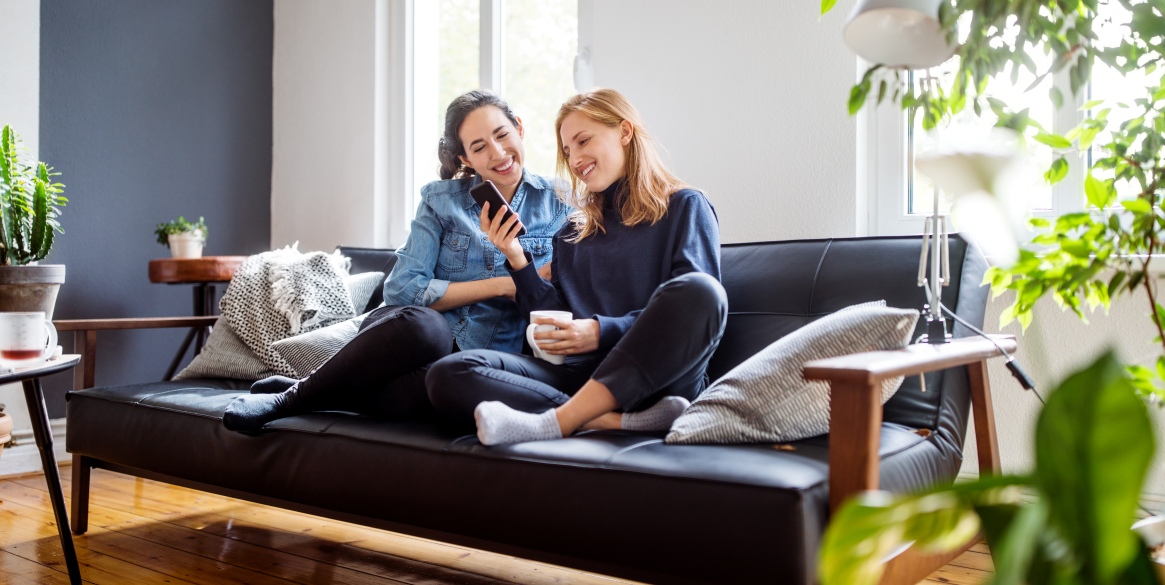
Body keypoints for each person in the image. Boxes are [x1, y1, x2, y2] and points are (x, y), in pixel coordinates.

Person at [223, 89, 571, 432]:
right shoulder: (439, 202)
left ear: (519, 128)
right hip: (406, 337)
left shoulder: (562, 205)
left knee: (446, 382)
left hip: (475, 357)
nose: (498, 153)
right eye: (479, 147)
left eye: (502, 135)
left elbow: (549, 303)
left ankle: (317, 391)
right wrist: (506, 284)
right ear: (465, 159)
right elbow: (403, 290)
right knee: (429, 328)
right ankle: (291, 400)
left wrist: (519, 277)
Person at [425, 88, 727, 445]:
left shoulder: (685, 207)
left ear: (625, 132)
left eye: (583, 141)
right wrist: (515, 256)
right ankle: (608, 420)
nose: (576, 159)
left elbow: (693, 312)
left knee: (702, 291)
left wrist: (599, 332)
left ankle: (561, 419)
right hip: (582, 374)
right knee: (450, 373)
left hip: (659, 380)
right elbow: (555, 319)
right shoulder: (573, 230)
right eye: (567, 151)